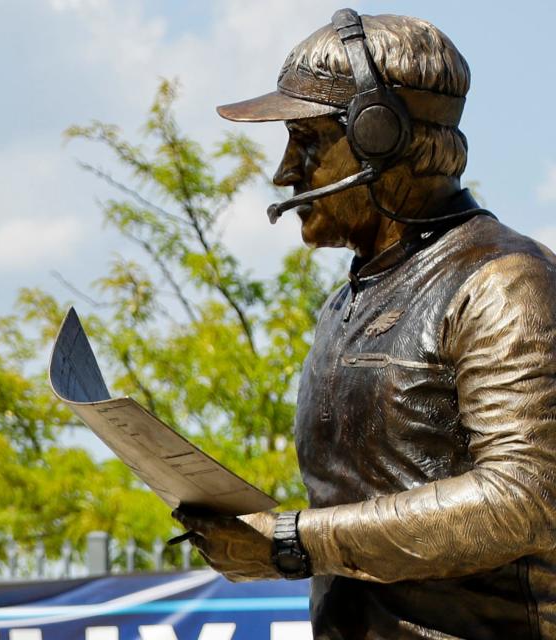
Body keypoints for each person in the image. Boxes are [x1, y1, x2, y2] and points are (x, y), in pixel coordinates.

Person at [173, 9, 556, 639]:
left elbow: (523, 499)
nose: (285, 171)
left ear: (382, 137)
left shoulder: (505, 283)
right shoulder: (349, 301)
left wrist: (291, 542)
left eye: (308, 141)